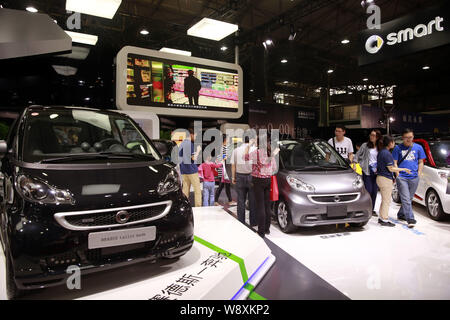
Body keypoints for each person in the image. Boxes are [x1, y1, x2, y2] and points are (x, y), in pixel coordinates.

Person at [244, 135, 279, 238]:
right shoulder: (270, 153)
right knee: (267, 205)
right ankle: (267, 229)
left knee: (260, 206)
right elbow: (274, 168)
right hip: (268, 180)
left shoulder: (256, 153)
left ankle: (261, 231)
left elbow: (245, 157)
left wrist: (248, 146)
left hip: (258, 180)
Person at [392, 128, 426, 228]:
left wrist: (419, 173)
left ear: (413, 137)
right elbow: (394, 163)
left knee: (409, 198)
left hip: (414, 177)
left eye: (410, 137)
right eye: (406, 138)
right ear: (402, 138)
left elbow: (420, 162)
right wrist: (398, 175)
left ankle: (401, 214)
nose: (409, 139)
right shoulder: (398, 148)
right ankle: (410, 218)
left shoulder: (418, 147)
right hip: (402, 177)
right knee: (406, 198)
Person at [376, 135, 412, 227]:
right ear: (390, 143)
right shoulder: (387, 153)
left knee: (384, 200)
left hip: (380, 177)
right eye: (393, 142)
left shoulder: (381, 152)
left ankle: (381, 217)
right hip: (385, 178)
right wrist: (403, 169)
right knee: (386, 200)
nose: (394, 144)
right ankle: (384, 219)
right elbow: (391, 168)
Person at [356, 129, 382, 216]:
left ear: (378, 137)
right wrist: (357, 164)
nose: (372, 137)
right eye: (371, 135)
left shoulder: (380, 146)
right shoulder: (365, 145)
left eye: (374, 135)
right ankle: (366, 209)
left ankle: (372, 209)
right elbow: (357, 155)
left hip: (377, 171)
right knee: (369, 190)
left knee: (375, 191)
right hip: (367, 170)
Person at [231, 136, 257, 227]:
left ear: (242, 140)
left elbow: (233, 165)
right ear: (250, 141)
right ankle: (253, 222)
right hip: (252, 176)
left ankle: (241, 221)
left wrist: (233, 177)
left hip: (239, 176)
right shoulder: (255, 149)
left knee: (240, 200)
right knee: (252, 200)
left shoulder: (236, 150)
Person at [179, 128, 202, 207]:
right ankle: (198, 208)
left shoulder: (181, 144)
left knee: (185, 191)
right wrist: (198, 150)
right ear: (191, 134)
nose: (195, 137)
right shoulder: (190, 144)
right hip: (192, 170)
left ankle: (185, 206)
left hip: (184, 170)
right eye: (195, 135)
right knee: (197, 190)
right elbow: (193, 158)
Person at [215, 136, 235, 206]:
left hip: (223, 167)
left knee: (227, 185)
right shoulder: (223, 148)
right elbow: (224, 158)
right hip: (223, 168)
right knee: (221, 185)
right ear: (225, 140)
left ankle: (230, 200)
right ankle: (215, 200)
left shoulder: (221, 147)